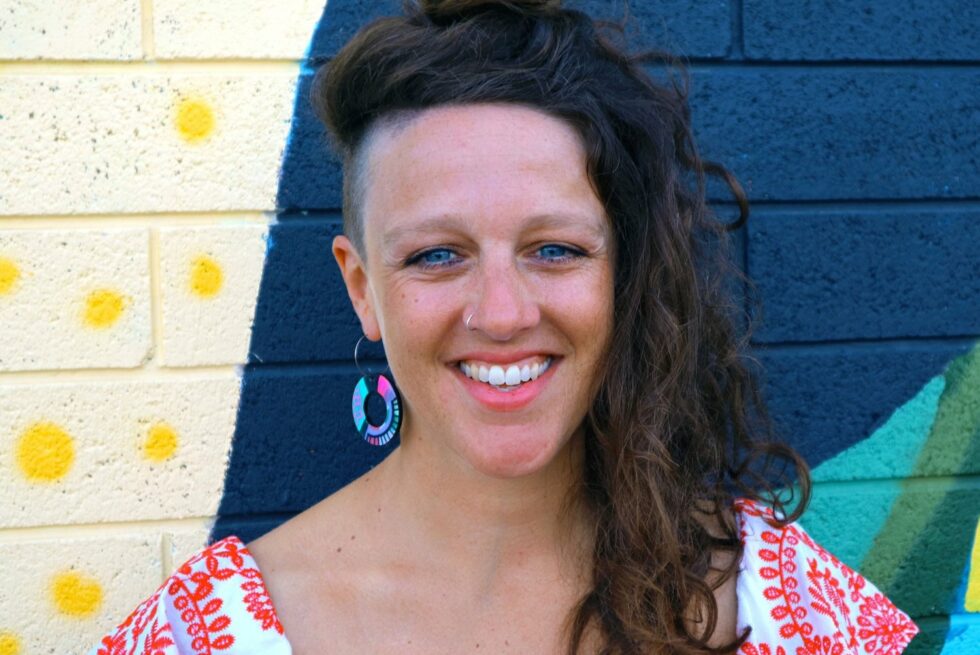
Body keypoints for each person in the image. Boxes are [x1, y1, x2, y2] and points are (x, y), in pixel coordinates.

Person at [89, 1, 919, 653]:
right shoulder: (205, 633)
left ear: (620, 273)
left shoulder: (779, 602)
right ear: (361, 286)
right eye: (437, 256)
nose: (502, 312)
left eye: (554, 248)